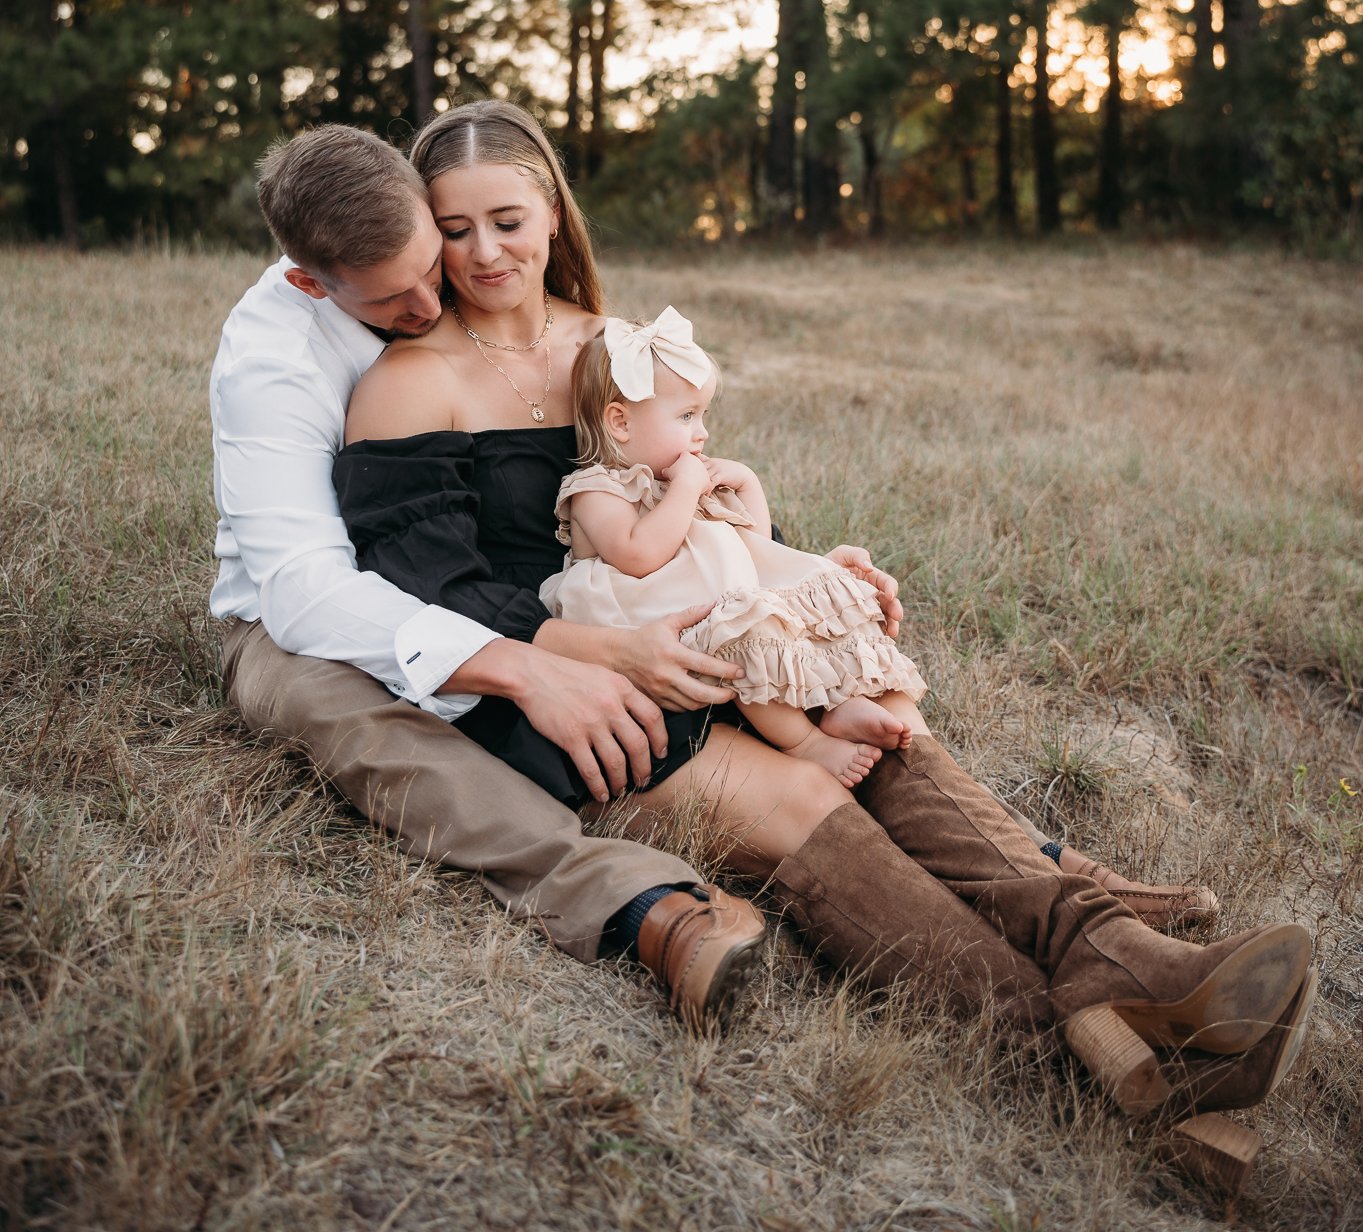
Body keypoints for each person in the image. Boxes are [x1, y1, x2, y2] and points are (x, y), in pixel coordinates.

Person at [335, 97, 1318, 1142]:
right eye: (454, 228)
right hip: (561, 679)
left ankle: (1123, 962)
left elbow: (691, 499)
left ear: (552, 213)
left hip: (693, 623)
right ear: (424, 236)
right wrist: (613, 653)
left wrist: (793, 561)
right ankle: (1095, 1063)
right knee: (805, 793)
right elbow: (438, 598)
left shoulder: (612, 349)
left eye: (508, 219)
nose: (485, 250)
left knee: (875, 713)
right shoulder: (410, 383)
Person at [210, 124, 765, 1028]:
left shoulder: (512, 316)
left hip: (459, 578)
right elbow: (305, 590)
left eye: (434, 263)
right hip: (305, 611)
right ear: (312, 281)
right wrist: (521, 663)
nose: (435, 300)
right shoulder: (272, 363)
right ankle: (641, 906)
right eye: (396, 298)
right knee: (362, 722)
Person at [546, 309, 930, 788]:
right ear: (620, 423)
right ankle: (804, 743)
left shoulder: (676, 477)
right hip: (654, 619)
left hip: (720, 599)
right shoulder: (595, 489)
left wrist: (746, 483)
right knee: (746, 632)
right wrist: (685, 492)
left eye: (702, 415)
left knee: (796, 605)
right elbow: (638, 555)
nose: (701, 432)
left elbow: (751, 542)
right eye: (686, 416)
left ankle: (834, 704)